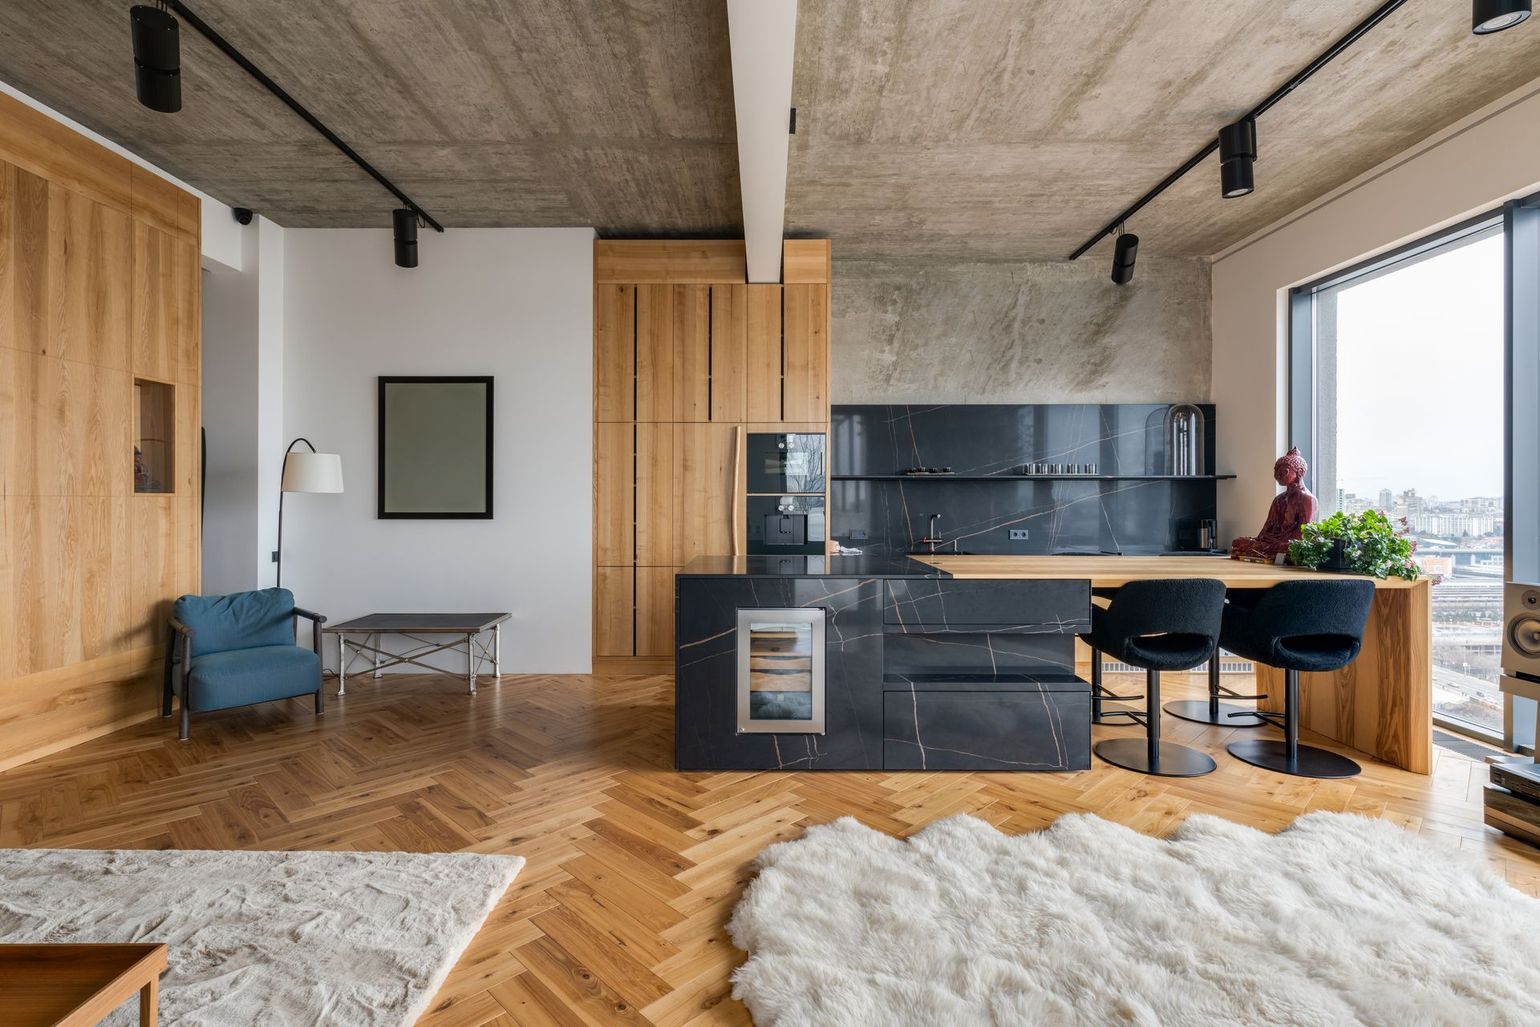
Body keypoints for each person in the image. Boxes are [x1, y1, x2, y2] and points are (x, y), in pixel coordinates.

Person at [1230, 447, 1316, 563]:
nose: (1277, 475)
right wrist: (1256, 540)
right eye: (1275, 471)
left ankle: (1267, 551)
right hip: (1272, 542)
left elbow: (1304, 532)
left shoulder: (1307, 499)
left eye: (1283, 471)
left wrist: (1278, 543)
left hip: (1288, 543)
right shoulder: (1278, 500)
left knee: (1286, 547)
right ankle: (1265, 550)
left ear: (1299, 472)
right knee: (1238, 542)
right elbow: (1267, 527)